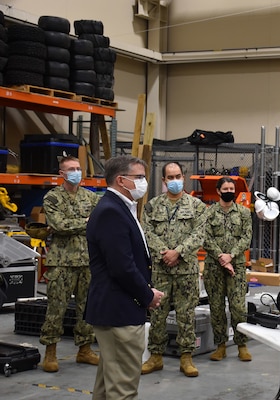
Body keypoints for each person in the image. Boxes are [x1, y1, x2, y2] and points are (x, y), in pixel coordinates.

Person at [85, 155, 163, 400]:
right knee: (123, 389)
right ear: (121, 180)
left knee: (107, 386)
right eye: (139, 177)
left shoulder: (120, 207)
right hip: (119, 312)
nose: (143, 182)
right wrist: (147, 295)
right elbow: (121, 267)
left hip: (115, 309)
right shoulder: (111, 211)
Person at [141, 162, 206, 377]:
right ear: (163, 181)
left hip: (186, 270)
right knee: (157, 313)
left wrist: (178, 252)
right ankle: (156, 356)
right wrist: (164, 253)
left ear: (183, 178)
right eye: (170, 177)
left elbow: (199, 234)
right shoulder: (152, 206)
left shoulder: (196, 205)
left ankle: (186, 357)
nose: (175, 180)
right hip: (161, 270)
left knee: (186, 314)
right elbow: (147, 232)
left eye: (178, 176)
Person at [40, 155, 100, 373]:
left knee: (87, 308)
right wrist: (86, 222)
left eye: (78, 168)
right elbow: (59, 225)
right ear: (61, 174)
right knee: (56, 308)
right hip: (62, 262)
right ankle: (50, 352)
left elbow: (100, 222)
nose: (76, 172)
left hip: (87, 261)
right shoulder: (52, 198)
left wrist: (84, 224)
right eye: (71, 169)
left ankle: (84, 350)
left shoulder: (91, 198)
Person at [203, 176, 253, 362]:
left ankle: (242, 345)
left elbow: (246, 238)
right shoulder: (208, 213)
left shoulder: (243, 213)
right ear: (218, 191)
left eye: (232, 188)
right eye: (225, 189)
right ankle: (220, 346)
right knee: (216, 307)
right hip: (214, 267)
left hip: (237, 266)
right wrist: (221, 258)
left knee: (238, 307)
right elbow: (205, 238)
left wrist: (231, 255)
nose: (229, 191)